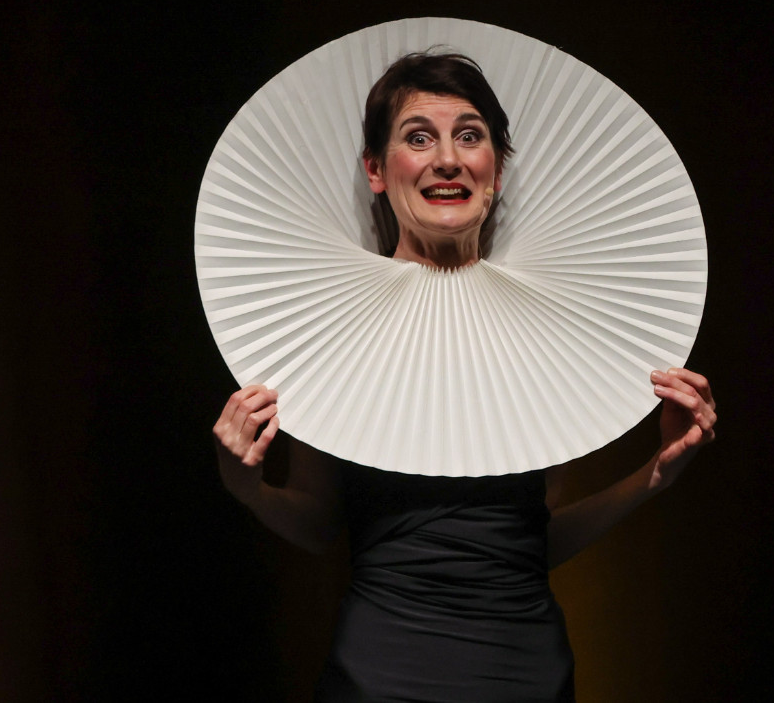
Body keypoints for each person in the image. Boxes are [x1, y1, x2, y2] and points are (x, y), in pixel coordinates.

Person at [213, 52, 718, 702]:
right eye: (419, 137)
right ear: (376, 169)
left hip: (528, 672)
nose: (448, 159)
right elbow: (317, 522)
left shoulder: (546, 334)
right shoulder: (332, 326)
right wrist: (246, 486)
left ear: (496, 169)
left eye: (470, 136)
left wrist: (653, 475)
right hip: (380, 673)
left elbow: (533, 538)